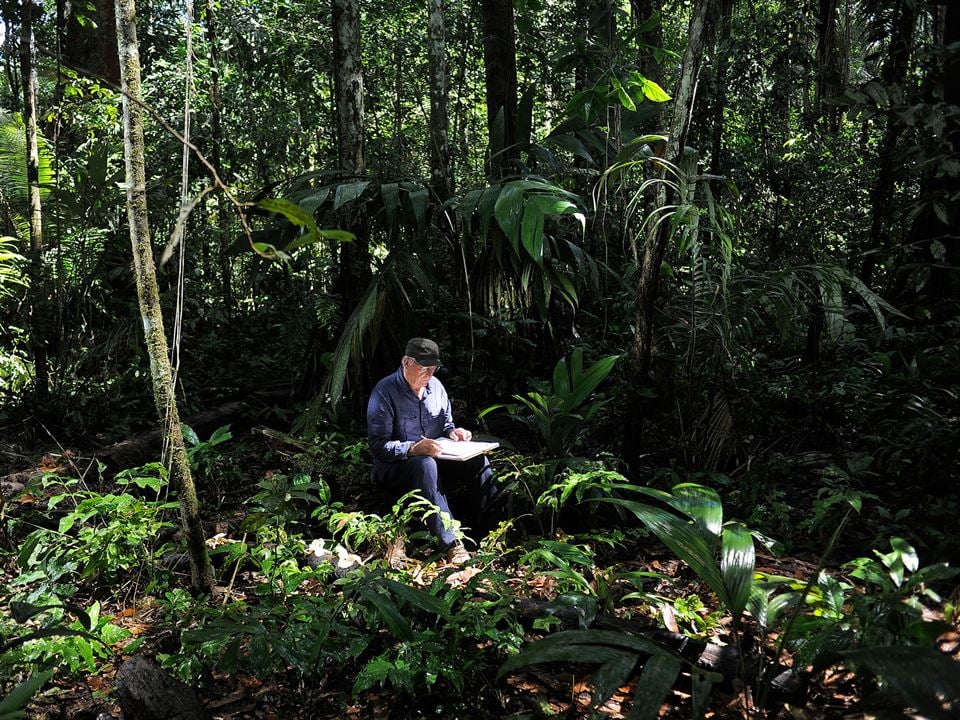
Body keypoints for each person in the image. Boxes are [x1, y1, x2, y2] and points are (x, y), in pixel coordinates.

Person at [366, 338, 497, 565]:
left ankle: (493, 532)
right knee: (425, 464)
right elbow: (378, 446)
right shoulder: (385, 392)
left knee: (479, 461)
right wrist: (413, 449)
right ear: (406, 362)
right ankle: (452, 545)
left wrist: (454, 433)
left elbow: (446, 425)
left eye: (433, 368)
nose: (429, 374)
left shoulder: (436, 388)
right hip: (397, 468)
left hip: (436, 461)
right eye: (423, 368)